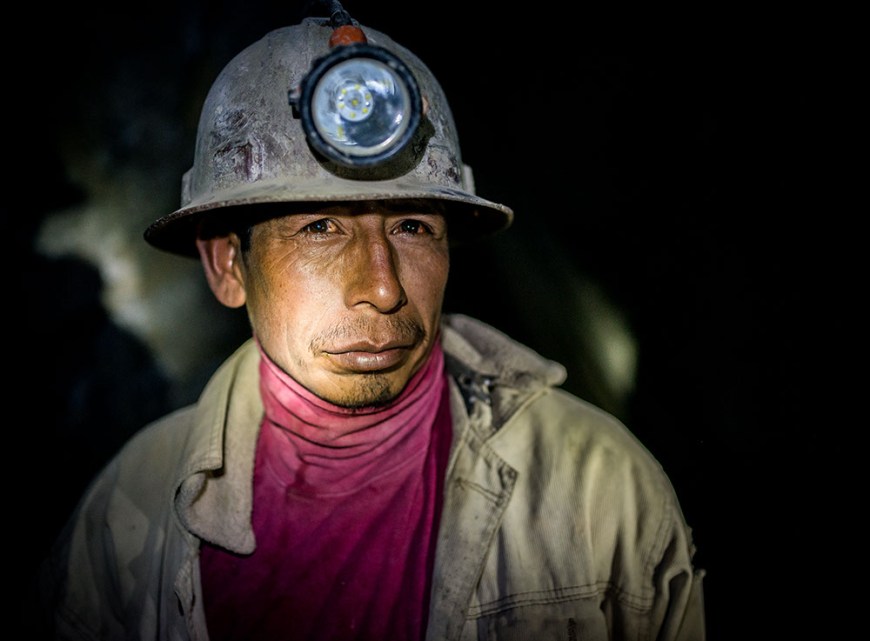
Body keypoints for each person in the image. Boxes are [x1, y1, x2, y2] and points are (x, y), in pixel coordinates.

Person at [33, 6, 706, 641]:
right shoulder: (129, 510)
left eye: (412, 226)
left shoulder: (602, 491)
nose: (383, 289)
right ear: (227, 265)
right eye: (320, 228)